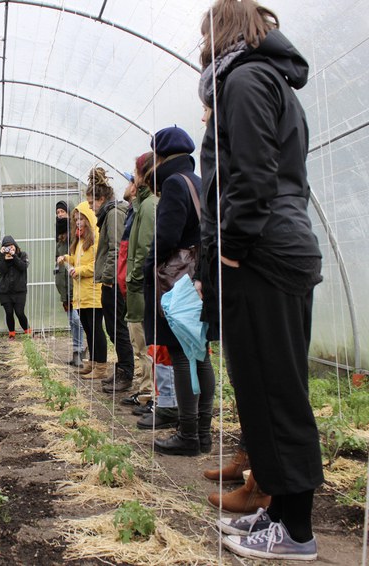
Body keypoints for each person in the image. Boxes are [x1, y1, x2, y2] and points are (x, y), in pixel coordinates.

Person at [198, 0, 323, 560]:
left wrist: (233, 248)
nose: (199, 45)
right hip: (274, 246)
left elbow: (252, 174)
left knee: (275, 391)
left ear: (223, 32)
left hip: (264, 252)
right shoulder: (266, 79)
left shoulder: (246, 80)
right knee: (265, 387)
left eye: (204, 33)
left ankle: (296, 531)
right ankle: (276, 513)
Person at [141, 126, 217, 457]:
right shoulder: (198, 182)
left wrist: (148, 265)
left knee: (184, 353)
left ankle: (188, 434)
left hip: (178, 281)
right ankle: (201, 433)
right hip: (199, 274)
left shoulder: (173, 184)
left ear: (161, 157)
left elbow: (168, 237)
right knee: (199, 352)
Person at [86, 168, 135, 391]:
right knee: (114, 328)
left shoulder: (114, 214)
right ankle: (123, 369)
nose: (90, 207)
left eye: (91, 202)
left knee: (118, 329)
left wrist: (109, 278)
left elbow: (116, 249)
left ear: (102, 199)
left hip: (114, 281)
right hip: (112, 280)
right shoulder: (109, 214)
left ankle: (126, 373)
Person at [120, 153, 157, 408]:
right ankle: (146, 390)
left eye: (132, 176)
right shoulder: (136, 209)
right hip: (134, 286)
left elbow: (144, 248)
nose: (129, 182)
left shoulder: (148, 206)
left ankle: (150, 393)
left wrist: (133, 278)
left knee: (143, 342)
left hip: (140, 287)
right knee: (139, 341)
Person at [58, 204, 106, 379]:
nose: (78, 223)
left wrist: (78, 271)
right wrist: (66, 259)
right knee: (88, 329)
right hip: (82, 295)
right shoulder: (80, 241)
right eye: (76, 219)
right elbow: (79, 262)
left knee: (96, 330)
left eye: (81, 219)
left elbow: (96, 266)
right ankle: (93, 363)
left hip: (93, 294)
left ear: (89, 220)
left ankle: (101, 367)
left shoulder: (95, 241)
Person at [55, 201, 86, 367]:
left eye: (63, 212)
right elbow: (57, 259)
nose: (60, 215)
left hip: (76, 281)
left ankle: (81, 350)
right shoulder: (60, 236)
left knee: (77, 319)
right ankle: (77, 352)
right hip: (64, 284)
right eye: (58, 212)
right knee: (71, 320)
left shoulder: (76, 234)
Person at [0, 236, 32, 339]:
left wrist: (14, 256)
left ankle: (28, 331)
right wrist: (3, 257)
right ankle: (11, 334)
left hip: (19, 290)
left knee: (19, 312)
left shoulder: (22, 255)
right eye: (6, 247)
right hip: (4, 290)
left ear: (15, 246)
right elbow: (1, 269)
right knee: (9, 312)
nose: (10, 249)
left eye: (11, 246)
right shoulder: (2, 257)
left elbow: (23, 267)